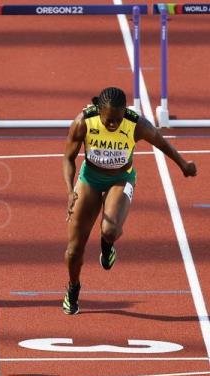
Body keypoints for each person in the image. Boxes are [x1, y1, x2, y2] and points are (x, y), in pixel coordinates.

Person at [62, 86, 197, 315]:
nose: (113, 125)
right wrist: (69, 191)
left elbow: (162, 143)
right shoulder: (84, 121)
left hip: (121, 178)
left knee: (110, 229)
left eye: (117, 119)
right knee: (74, 250)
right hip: (90, 179)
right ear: (99, 112)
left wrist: (183, 164)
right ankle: (74, 287)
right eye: (108, 121)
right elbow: (68, 158)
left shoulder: (137, 124)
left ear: (124, 112)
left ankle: (107, 246)